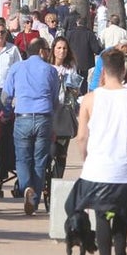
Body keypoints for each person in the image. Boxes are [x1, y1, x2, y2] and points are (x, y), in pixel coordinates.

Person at [67, 49, 127, 255]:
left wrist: (86, 158)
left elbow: (81, 136)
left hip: (98, 169)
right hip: (125, 170)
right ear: (125, 70)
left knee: (102, 216)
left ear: (103, 71)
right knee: (121, 216)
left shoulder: (90, 99)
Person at [0, 38, 60, 215]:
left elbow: (5, 96)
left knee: (22, 159)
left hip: (23, 116)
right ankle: (35, 199)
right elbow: (55, 98)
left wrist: (8, 112)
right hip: (43, 117)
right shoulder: (50, 70)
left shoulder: (17, 68)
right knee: (40, 160)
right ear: (42, 51)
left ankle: (26, 188)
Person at [49, 36, 82, 179]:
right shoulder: (47, 66)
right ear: (53, 49)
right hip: (48, 111)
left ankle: (57, 180)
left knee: (61, 152)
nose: (62, 51)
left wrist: (72, 88)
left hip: (64, 112)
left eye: (64, 48)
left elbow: (75, 91)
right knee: (49, 149)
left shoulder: (71, 68)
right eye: (59, 48)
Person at [64, 16, 102, 82]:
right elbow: (96, 49)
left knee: (72, 81)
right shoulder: (89, 34)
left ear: (77, 23)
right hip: (85, 62)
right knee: (84, 82)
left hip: (73, 61)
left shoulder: (70, 33)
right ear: (86, 24)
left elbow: (66, 45)